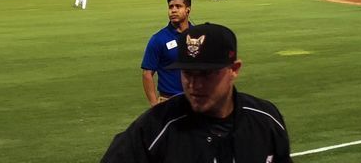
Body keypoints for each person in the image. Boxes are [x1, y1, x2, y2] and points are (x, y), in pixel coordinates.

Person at [102, 23, 291, 163]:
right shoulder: (156, 126)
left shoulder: (265, 119)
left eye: (206, 74)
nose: (194, 85)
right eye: (187, 73)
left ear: (234, 69)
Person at [142, 0, 192, 105]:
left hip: (195, 100)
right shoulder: (158, 39)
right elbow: (147, 73)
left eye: (178, 6)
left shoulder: (198, 36)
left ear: (187, 10)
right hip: (169, 101)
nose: (173, 10)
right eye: (170, 7)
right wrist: (154, 104)